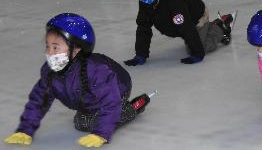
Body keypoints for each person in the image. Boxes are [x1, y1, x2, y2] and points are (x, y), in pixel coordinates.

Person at [3, 13, 151, 148]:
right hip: (88, 98)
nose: (49, 53)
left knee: (85, 122)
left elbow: (110, 101)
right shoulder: (50, 73)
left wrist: (101, 133)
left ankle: (132, 107)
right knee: (81, 121)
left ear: (76, 50)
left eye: (55, 48)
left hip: (118, 87)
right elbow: (39, 100)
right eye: (48, 47)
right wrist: (25, 129)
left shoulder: (96, 71)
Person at [124, 0, 237, 66]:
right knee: (180, 31)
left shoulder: (175, 4)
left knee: (200, 46)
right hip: (176, 22)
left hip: (197, 16)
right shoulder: (145, 2)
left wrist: (197, 53)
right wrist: (141, 54)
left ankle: (220, 27)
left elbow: (187, 29)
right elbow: (143, 27)